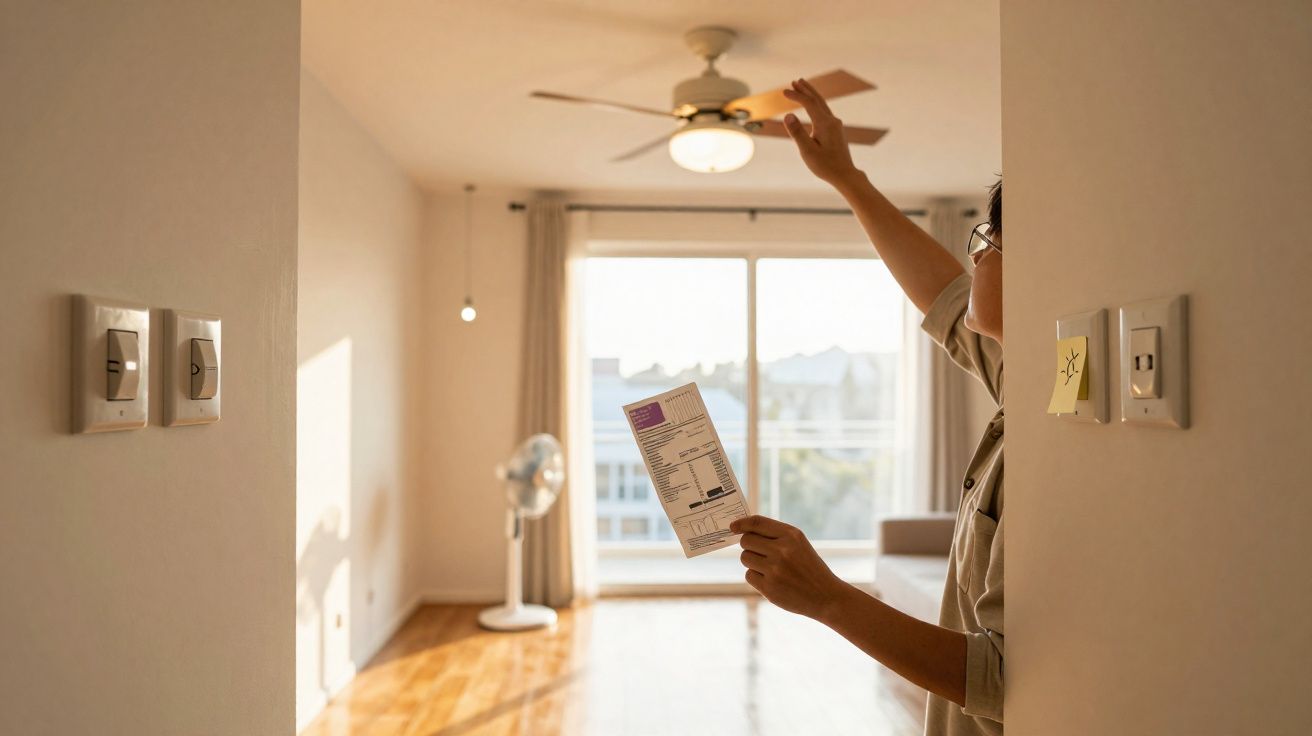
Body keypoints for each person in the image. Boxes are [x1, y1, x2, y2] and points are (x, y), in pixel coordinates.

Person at [731, 78, 1005, 735]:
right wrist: (846, 177)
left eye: (990, 240)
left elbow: (1003, 678)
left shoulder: (1056, 441)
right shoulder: (1035, 378)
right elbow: (943, 293)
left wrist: (827, 596)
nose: (979, 255)